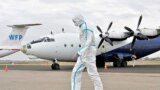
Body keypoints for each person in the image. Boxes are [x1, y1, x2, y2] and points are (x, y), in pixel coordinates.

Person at [71, 14, 103, 90]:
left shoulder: (85, 28)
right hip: (84, 53)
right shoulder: (83, 27)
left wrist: (79, 52)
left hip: (88, 53)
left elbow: (88, 42)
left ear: (78, 20)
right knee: (75, 72)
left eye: (74, 21)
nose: (74, 23)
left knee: (93, 74)